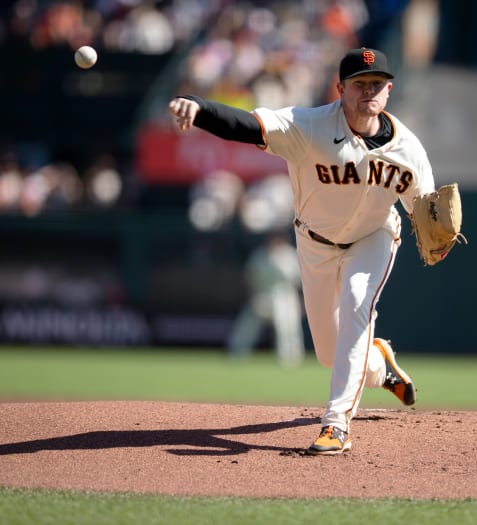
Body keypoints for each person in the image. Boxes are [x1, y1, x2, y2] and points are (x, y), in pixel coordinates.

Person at [168, 47, 436, 455]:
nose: (369, 91)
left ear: (389, 90)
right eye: (359, 84)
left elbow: (426, 212)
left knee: (357, 304)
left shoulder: (409, 150)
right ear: (340, 89)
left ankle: (337, 424)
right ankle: (379, 364)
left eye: (377, 84)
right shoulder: (307, 126)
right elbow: (248, 126)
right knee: (330, 352)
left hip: (374, 237)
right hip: (315, 243)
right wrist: (200, 108)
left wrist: (437, 234)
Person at [227, 233, 305, 367]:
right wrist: (251, 296)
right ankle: (237, 351)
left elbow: (299, 280)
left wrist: (302, 300)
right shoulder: (259, 255)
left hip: (285, 295)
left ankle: (290, 357)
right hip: (263, 294)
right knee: (248, 322)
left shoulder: (290, 255)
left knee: (287, 326)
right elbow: (251, 278)